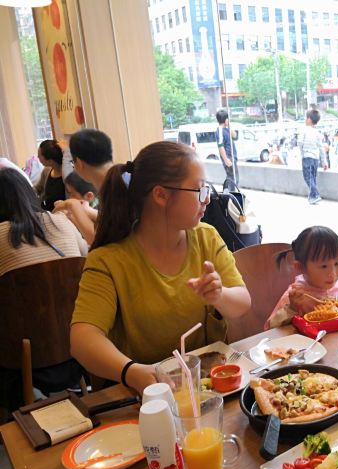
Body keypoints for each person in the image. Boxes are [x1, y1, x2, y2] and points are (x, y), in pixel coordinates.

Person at [70, 141, 251, 394]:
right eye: (199, 190)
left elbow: (242, 302)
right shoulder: (108, 260)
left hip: (207, 388)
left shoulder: (206, 237)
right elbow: (82, 339)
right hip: (145, 395)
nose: (208, 199)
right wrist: (132, 372)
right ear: (161, 195)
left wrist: (219, 295)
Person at [0, 168, 87, 277]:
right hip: (76, 287)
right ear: (29, 193)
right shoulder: (61, 219)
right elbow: (85, 254)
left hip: (23, 288)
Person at [265, 226, 338, 329]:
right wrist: (291, 309)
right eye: (324, 266)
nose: (333, 273)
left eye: (337, 263)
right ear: (301, 267)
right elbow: (271, 327)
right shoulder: (296, 295)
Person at [53, 129, 113, 244]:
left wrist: (73, 206)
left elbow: (97, 241)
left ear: (79, 163)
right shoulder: (120, 178)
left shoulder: (114, 189)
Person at [298, 109, 325, 204]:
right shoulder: (317, 133)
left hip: (307, 157)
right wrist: (324, 162)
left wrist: (302, 153)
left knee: (308, 177)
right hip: (315, 159)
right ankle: (311, 197)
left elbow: (300, 142)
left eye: (306, 118)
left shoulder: (304, 130)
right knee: (313, 178)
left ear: (309, 119)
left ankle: (315, 195)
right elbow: (321, 148)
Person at [36, 140, 67, 211]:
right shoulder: (47, 170)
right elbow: (38, 188)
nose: (37, 157)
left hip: (61, 214)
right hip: (46, 211)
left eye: (39, 156)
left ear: (50, 161)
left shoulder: (68, 175)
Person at [214, 109, 239, 191]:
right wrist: (226, 159)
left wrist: (229, 126)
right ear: (225, 119)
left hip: (232, 157)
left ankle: (228, 193)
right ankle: (229, 194)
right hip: (228, 157)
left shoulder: (226, 129)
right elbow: (220, 146)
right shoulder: (220, 130)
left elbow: (235, 136)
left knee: (233, 178)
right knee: (232, 179)